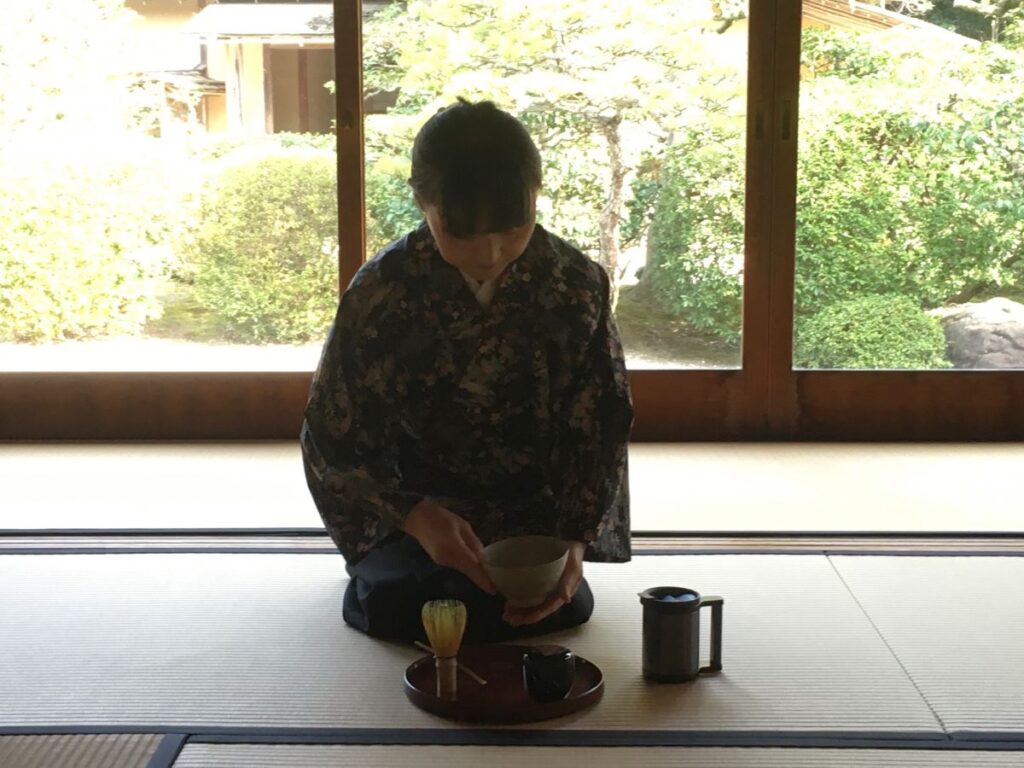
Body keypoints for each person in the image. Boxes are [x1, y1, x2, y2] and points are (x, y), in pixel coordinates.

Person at [301, 98, 633, 644]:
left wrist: (575, 539)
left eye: (512, 228)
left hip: (527, 514)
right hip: (416, 510)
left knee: (556, 603)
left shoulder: (575, 284)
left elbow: (598, 427)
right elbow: (333, 436)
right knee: (398, 605)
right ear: (423, 201)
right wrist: (413, 515)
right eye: (464, 234)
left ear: (537, 194)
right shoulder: (382, 290)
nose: (492, 253)